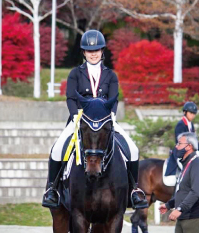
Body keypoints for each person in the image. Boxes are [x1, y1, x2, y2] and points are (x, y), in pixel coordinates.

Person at [42, 29, 148, 209]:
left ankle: (133, 191)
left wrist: (111, 117)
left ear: (102, 51)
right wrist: (76, 116)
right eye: (90, 51)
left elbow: (114, 99)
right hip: (80, 119)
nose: (93, 54)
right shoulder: (75, 73)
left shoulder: (110, 75)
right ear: (84, 52)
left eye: (97, 50)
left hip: (106, 120)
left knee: (133, 149)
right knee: (57, 149)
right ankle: (52, 189)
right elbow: (70, 98)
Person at [159, 132, 199, 233]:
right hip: (183, 215)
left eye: (179, 143)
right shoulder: (186, 164)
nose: (176, 147)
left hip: (192, 217)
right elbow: (183, 191)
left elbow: (195, 192)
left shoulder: (196, 165)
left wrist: (179, 209)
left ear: (189, 146)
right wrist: (169, 205)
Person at [165, 102, 199, 177]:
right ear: (185, 112)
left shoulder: (190, 125)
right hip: (181, 151)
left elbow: (193, 140)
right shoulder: (181, 124)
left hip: (189, 151)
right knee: (184, 169)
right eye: (191, 113)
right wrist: (191, 150)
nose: (192, 115)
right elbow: (180, 141)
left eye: (194, 113)